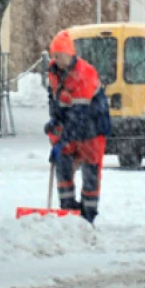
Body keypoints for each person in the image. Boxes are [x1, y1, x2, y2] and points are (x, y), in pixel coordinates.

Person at [44, 29, 111, 224]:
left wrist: (62, 140)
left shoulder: (85, 73)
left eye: (60, 55)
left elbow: (79, 114)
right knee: (63, 166)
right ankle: (68, 210)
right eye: (54, 55)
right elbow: (55, 99)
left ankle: (88, 215)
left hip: (93, 128)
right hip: (71, 126)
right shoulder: (54, 71)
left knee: (90, 172)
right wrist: (54, 121)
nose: (56, 59)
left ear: (70, 54)